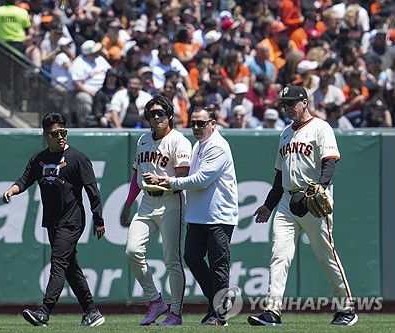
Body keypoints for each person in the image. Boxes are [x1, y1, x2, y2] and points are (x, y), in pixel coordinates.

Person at [248, 85, 358, 327]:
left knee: (325, 254)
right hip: (287, 202)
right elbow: (279, 176)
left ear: (304, 103)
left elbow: (329, 163)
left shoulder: (321, 127)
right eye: (284, 104)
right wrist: (268, 205)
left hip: (313, 198)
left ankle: (346, 308)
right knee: (279, 255)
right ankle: (272, 311)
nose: (286, 108)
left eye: (291, 103)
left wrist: (320, 186)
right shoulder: (285, 133)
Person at [2, 113, 106, 328]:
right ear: (45, 135)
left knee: (58, 263)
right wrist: (12, 190)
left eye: (63, 132)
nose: (60, 137)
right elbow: (25, 180)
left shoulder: (78, 158)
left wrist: (99, 219)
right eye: (55, 133)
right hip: (53, 221)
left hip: (72, 221)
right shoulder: (39, 159)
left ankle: (44, 312)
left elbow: (92, 191)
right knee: (70, 268)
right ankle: (92, 311)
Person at [143, 106, 239, 326]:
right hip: (198, 215)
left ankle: (220, 315)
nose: (196, 127)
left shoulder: (218, 146)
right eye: (193, 123)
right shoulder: (198, 145)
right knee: (192, 257)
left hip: (218, 215)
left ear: (212, 124)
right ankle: (214, 302)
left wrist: (167, 181)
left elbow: (201, 180)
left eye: (201, 123)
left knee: (218, 264)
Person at [120, 95, 192, 326]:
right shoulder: (143, 139)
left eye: (160, 112)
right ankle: (155, 301)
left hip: (171, 200)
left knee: (172, 260)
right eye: (152, 114)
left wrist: (161, 180)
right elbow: (136, 175)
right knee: (132, 251)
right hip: (147, 203)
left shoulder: (178, 140)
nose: (156, 117)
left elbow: (183, 175)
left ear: (169, 115)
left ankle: (176, 312)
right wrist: (129, 203)